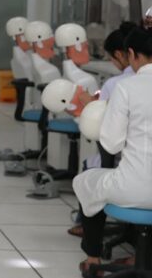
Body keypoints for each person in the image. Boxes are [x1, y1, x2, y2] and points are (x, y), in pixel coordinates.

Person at [73, 27, 152, 275]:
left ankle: (93, 258)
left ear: (132, 54)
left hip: (132, 187)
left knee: (87, 181)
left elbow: (111, 144)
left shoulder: (126, 87)